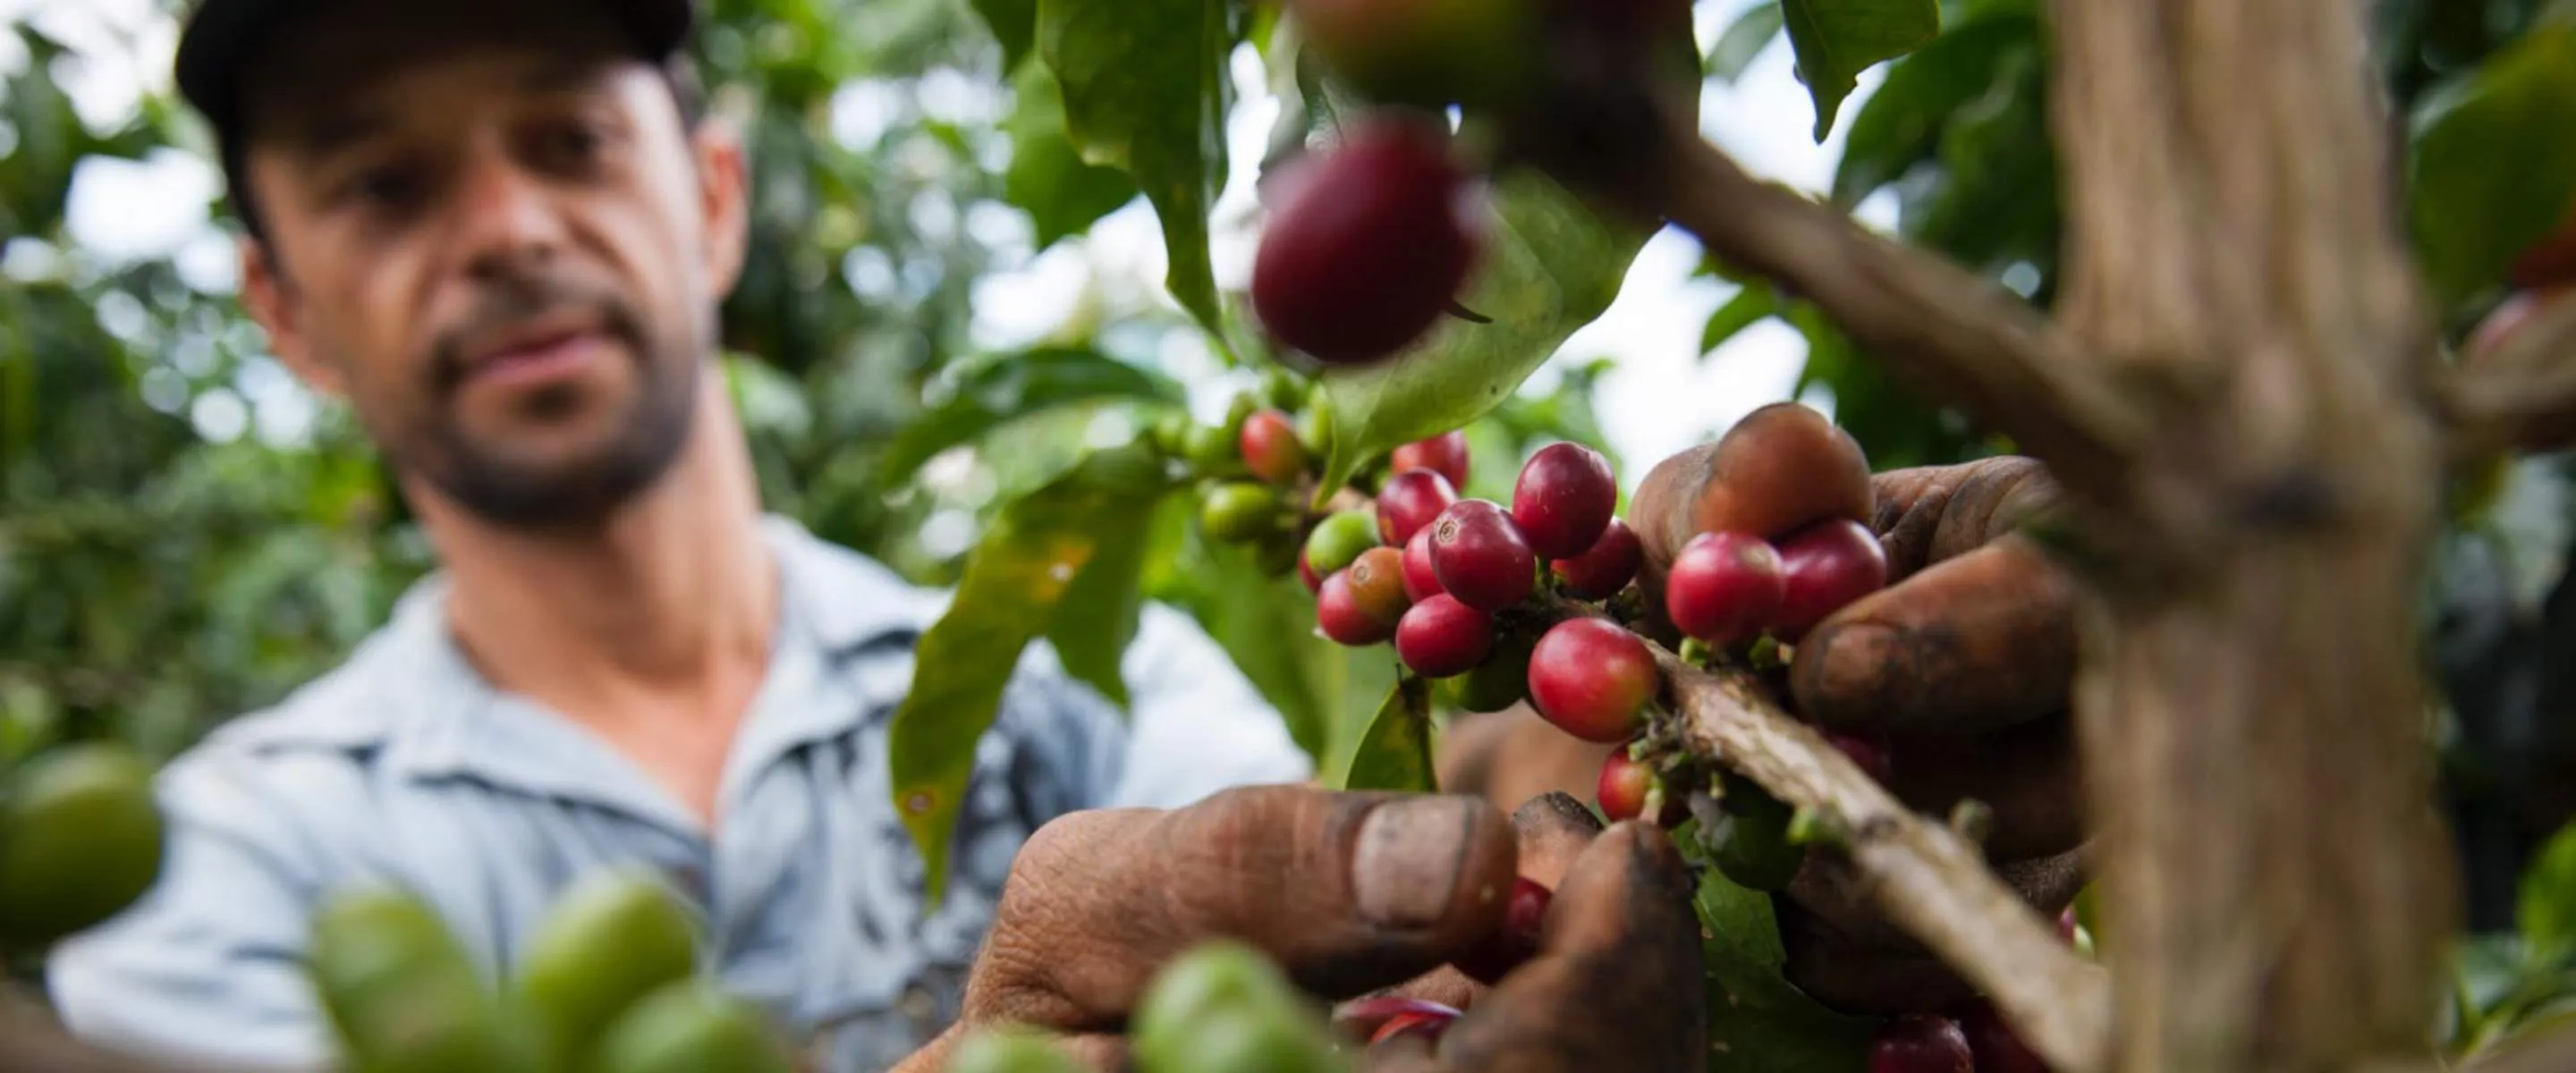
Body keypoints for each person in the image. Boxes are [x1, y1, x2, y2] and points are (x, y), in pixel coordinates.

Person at [45, 0, 2085, 1069]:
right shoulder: (222, 872)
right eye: (387, 185)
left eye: (568, 141)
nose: (502, 227)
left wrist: (1694, 745)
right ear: (284, 312)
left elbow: (1372, 867)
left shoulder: (1048, 684)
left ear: (718, 196)